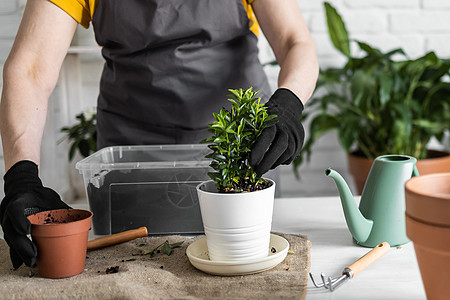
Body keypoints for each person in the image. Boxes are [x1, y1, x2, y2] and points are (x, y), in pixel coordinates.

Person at [0, 0, 318, 269]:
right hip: (129, 156)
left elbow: (294, 41)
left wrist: (288, 103)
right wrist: (21, 176)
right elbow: (30, 68)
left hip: (236, 145)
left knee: (240, 260)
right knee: (132, 262)